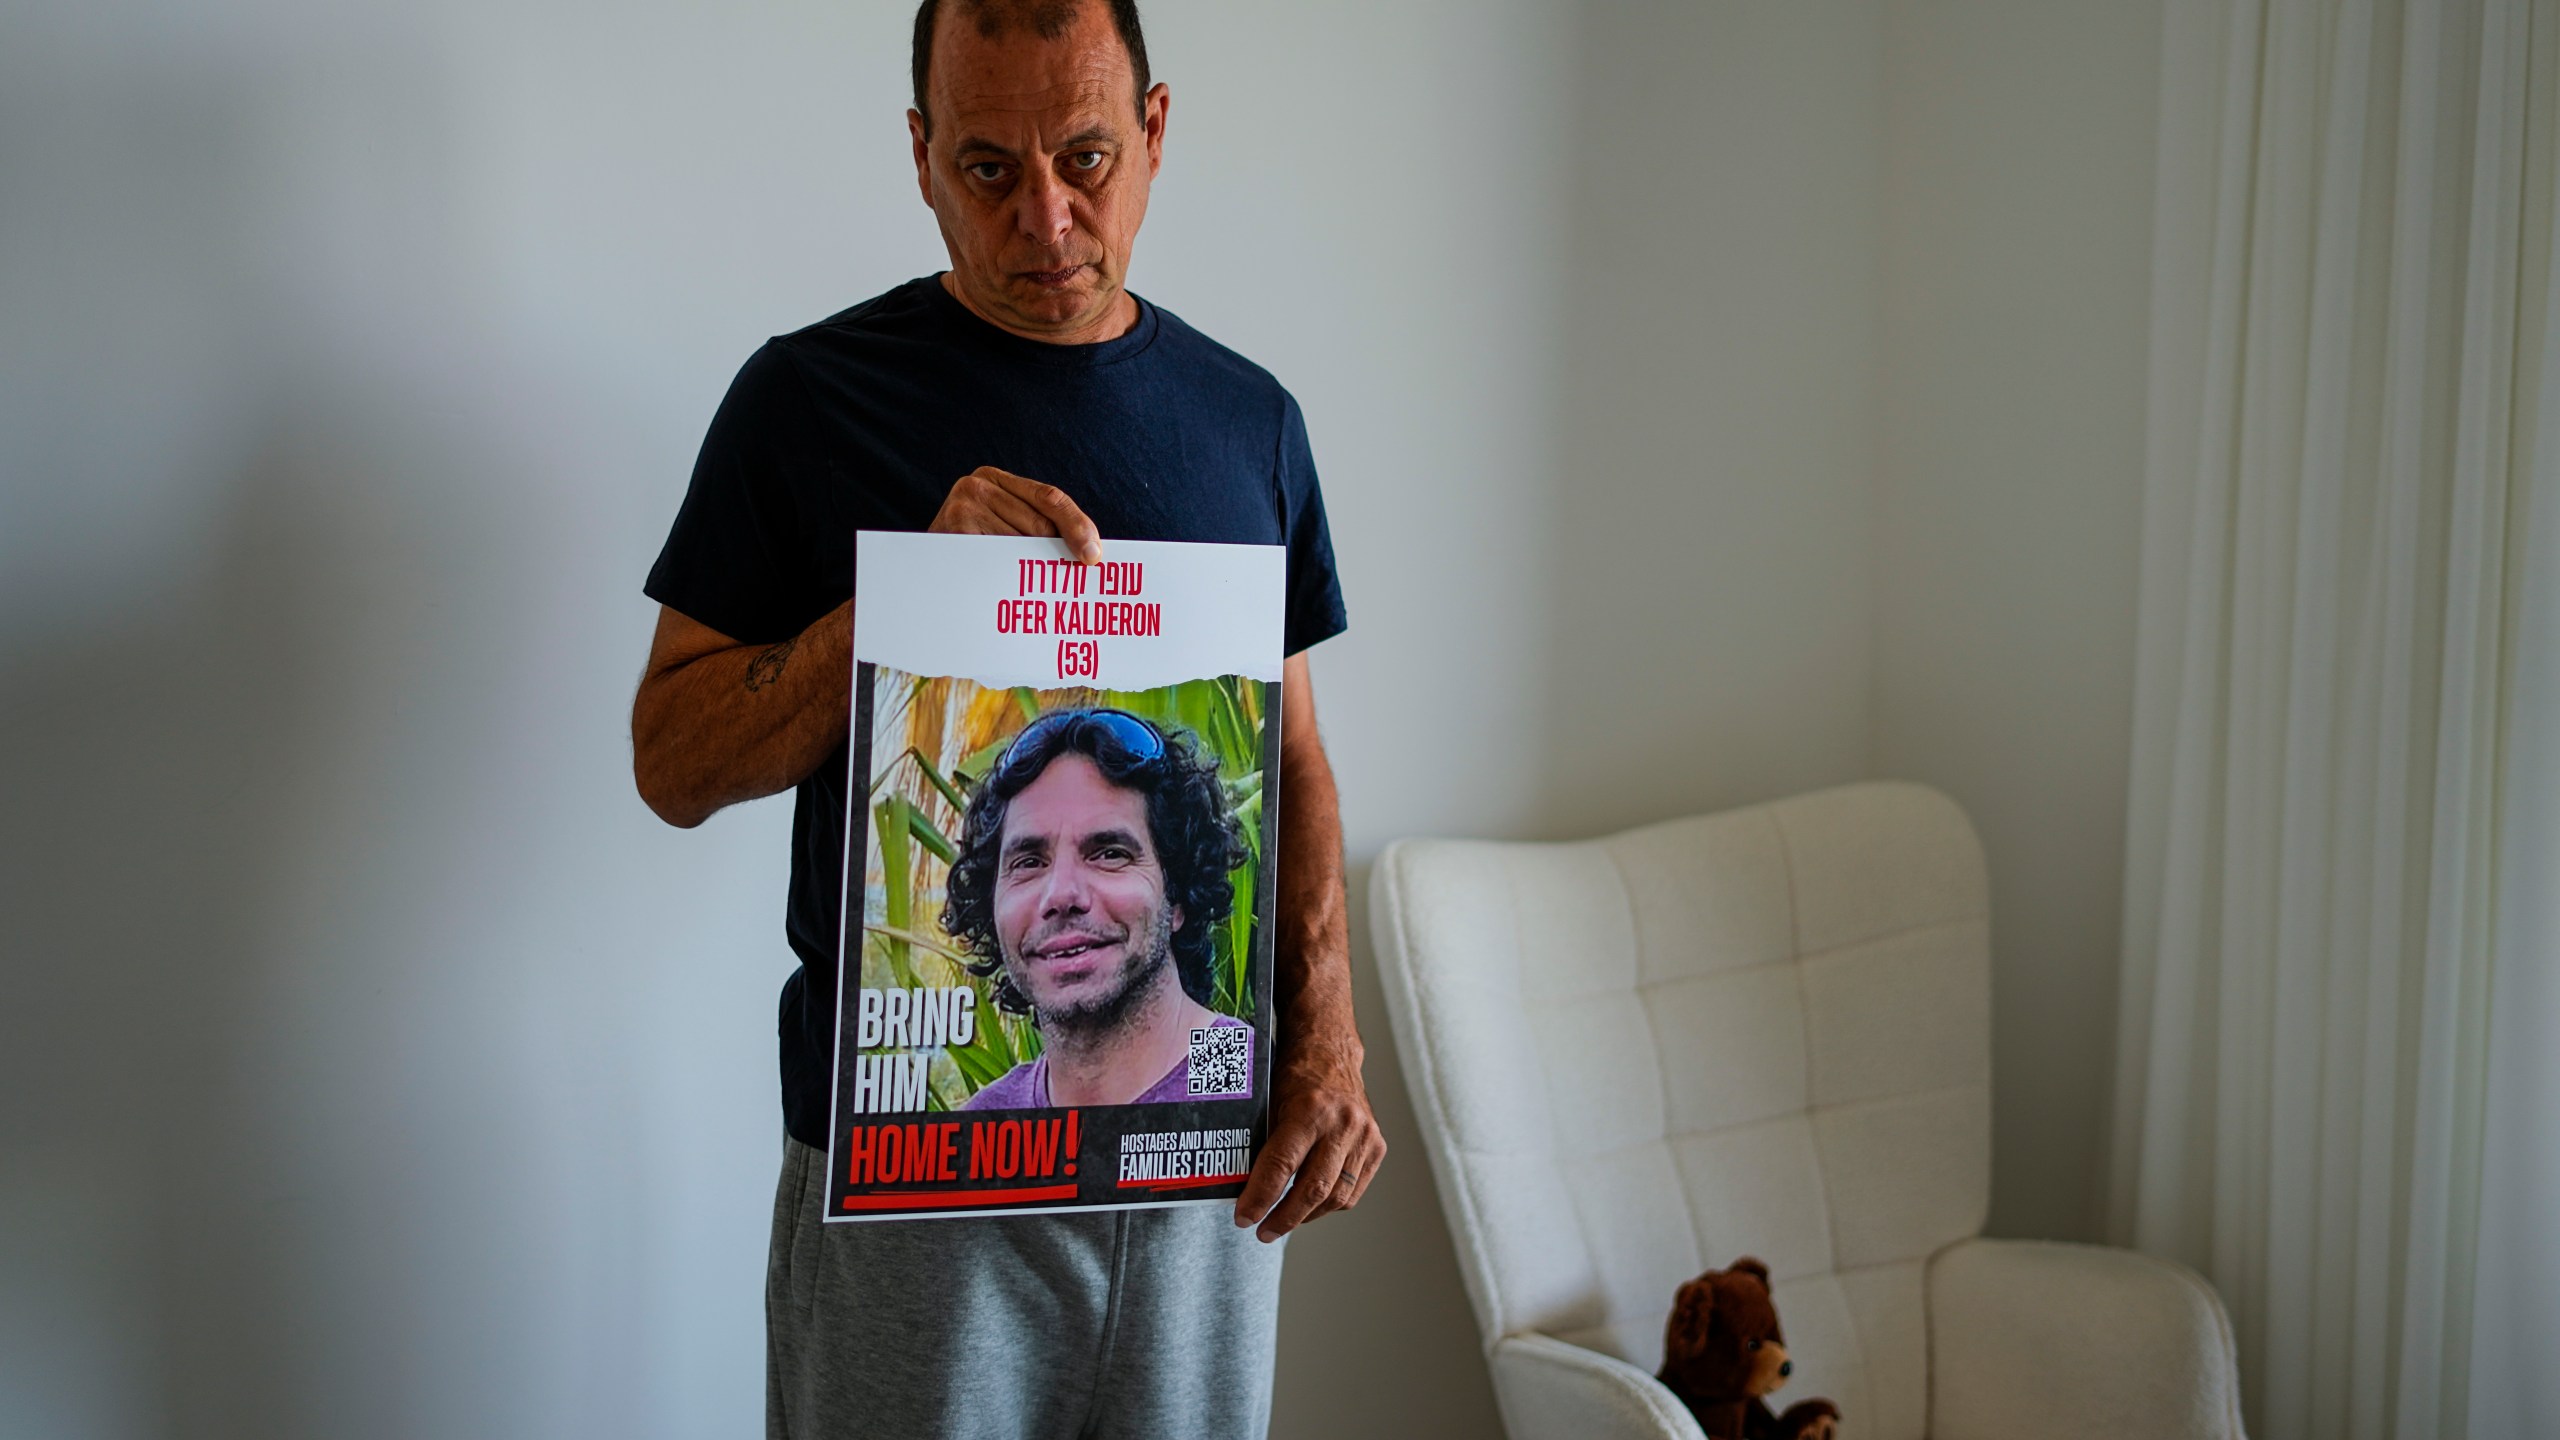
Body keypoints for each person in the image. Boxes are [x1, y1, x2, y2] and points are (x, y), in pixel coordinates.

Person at [626, 0, 1384, 1434]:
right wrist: (886, 615)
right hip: (912, 1187)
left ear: (1156, 136)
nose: (1046, 216)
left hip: (1194, 1182)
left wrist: (1326, 1042)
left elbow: (1292, 758)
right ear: (920, 156)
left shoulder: (1250, 423)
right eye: (988, 167)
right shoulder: (804, 402)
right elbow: (670, 757)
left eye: (1088, 157)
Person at [946, 708, 1256, 1109]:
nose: (1060, 895)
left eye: (1109, 854)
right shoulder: (984, 1124)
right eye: (1028, 862)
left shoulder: (1249, 1081)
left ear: (1177, 894)